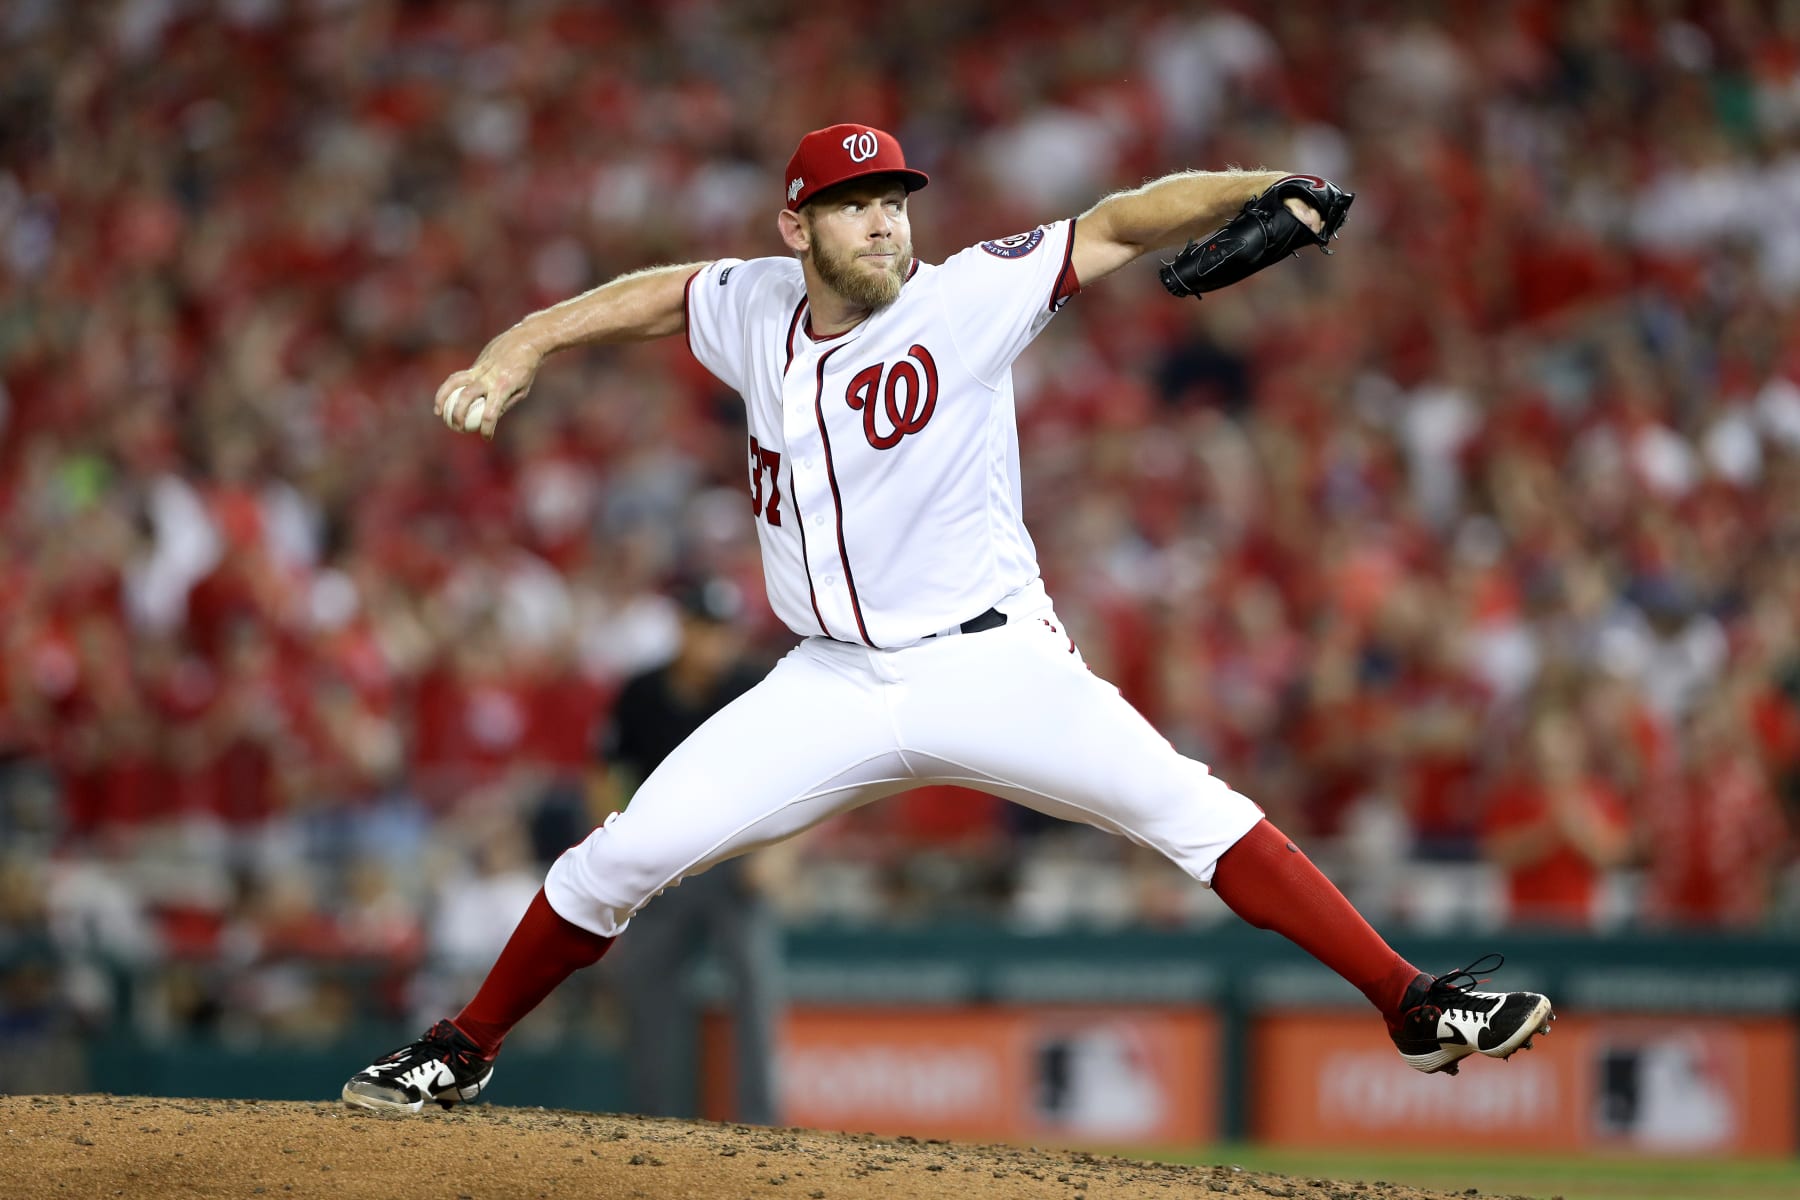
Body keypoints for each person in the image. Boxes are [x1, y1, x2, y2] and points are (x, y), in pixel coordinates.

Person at [343, 123, 1554, 1113]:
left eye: (894, 201)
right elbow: (661, 295)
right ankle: (462, 1047)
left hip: (989, 663)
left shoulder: (969, 295)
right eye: (854, 205)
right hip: (827, 682)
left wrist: (1266, 186)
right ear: (796, 228)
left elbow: (1121, 219)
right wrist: (524, 344)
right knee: (621, 856)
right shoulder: (755, 302)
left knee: (1193, 812)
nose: (884, 222)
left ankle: (1411, 1004)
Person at [596, 576, 785, 1124]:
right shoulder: (641, 692)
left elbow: (801, 779)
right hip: (662, 863)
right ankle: (651, 1123)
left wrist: (783, 852)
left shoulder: (754, 687)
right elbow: (602, 773)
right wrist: (615, 840)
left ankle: (761, 1126)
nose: (714, 643)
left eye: (722, 631)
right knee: (646, 990)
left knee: (755, 990)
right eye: (705, 629)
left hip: (736, 858)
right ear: (682, 628)